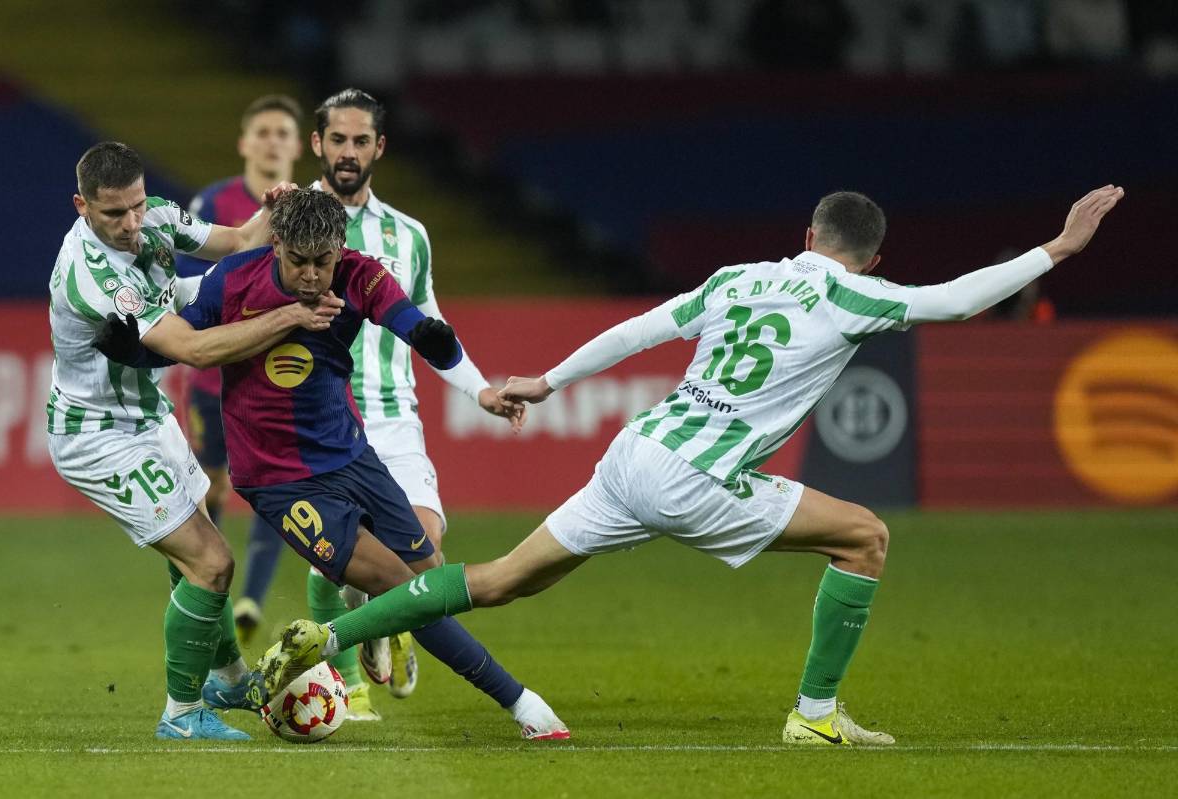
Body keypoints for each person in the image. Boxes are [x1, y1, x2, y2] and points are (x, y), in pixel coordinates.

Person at [258, 184, 1124, 745]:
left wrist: (550, 380)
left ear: (806, 234)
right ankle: (816, 715)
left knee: (499, 579)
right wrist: (1059, 247)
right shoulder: (854, 292)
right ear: (873, 260)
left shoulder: (735, 279)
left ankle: (329, 638)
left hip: (635, 453)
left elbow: (640, 330)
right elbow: (959, 301)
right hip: (699, 479)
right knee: (864, 537)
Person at [97, 188, 568, 740]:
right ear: (276, 244)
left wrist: (430, 339)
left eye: (323, 261)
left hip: (352, 456)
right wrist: (132, 350)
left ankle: (364, 624)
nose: (312, 275)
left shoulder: (357, 274)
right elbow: (183, 340)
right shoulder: (233, 280)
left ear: (340, 249)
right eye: (298, 261)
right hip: (278, 478)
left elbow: (407, 318)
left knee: (430, 574)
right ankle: (522, 703)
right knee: (401, 586)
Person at [47, 141, 340, 741]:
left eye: (135, 205)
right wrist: (290, 316)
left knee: (197, 556)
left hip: (147, 416)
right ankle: (180, 716)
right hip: (96, 435)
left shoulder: (153, 215)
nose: (131, 223)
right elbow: (196, 350)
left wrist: (273, 209)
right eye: (113, 213)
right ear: (82, 206)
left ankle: (228, 680)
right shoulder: (94, 275)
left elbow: (240, 241)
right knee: (212, 561)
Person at [302, 88, 521, 711]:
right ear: (317, 143)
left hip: (393, 417)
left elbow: (429, 323)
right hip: (318, 420)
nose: (348, 152)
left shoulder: (409, 236)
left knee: (424, 555)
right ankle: (348, 689)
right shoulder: (285, 221)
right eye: (337, 140)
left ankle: (386, 619)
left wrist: (479, 388)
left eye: (360, 141)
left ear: (379, 147)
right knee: (331, 562)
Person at [174, 94, 305, 652]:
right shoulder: (214, 202)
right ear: (245, 143)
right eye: (264, 132)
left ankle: (250, 597)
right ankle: (213, 588)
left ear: (297, 146)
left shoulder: (311, 207)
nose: (273, 141)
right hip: (214, 377)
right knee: (214, 484)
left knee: (275, 480)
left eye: (283, 133)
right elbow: (186, 282)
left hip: (281, 374)